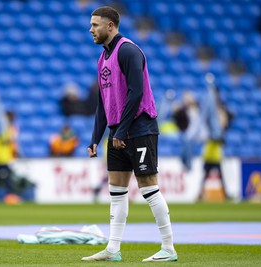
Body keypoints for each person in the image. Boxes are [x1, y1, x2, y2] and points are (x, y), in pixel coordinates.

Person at [82, 6, 177, 262]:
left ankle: (168, 248)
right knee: (116, 190)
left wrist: (122, 130)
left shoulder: (128, 51)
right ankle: (113, 249)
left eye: (95, 25)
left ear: (110, 26)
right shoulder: (102, 59)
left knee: (148, 188)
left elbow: (136, 93)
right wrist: (95, 137)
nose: (91, 29)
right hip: (117, 131)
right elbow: (103, 103)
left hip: (140, 128)